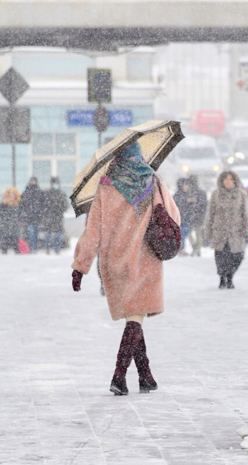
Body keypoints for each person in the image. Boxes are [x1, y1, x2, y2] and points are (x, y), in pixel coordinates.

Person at [71, 143, 180, 396]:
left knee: (134, 314)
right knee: (135, 317)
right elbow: (174, 215)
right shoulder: (152, 182)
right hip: (145, 259)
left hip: (115, 261)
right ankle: (118, 376)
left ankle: (146, 376)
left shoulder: (105, 186)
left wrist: (80, 266)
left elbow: (93, 230)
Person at [205, 171, 248, 289]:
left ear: (235, 181)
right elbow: (210, 214)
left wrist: (247, 230)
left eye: (231, 179)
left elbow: (246, 214)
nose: (228, 181)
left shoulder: (242, 194)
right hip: (220, 231)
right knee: (221, 256)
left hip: (237, 231)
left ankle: (230, 275)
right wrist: (208, 230)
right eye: (226, 179)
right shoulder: (216, 194)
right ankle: (222, 277)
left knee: (237, 256)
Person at [42, 177, 69, 254]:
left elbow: (65, 205)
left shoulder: (57, 193)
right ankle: (52, 249)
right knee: (52, 232)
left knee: (54, 233)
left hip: (55, 216)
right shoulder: (54, 193)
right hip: (52, 216)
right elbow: (44, 205)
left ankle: (53, 249)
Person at [20, 177, 45, 252]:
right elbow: (22, 204)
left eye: (34, 181)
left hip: (36, 216)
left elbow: (43, 203)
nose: (33, 182)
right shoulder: (26, 192)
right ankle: (32, 247)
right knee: (31, 232)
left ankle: (34, 247)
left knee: (35, 232)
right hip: (29, 216)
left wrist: (41, 212)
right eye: (32, 181)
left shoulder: (39, 192)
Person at [186, 175, 208, 257]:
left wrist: (194, 203)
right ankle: (196, 249)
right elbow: (205, 204)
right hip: (195, 216)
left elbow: (204, 204)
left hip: (194, 215)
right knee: (195, 234)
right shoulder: (197, 192)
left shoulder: (191, 192)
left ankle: (196, 249)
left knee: (194, 234)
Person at [173, 178, 192, 255]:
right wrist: (186, 201)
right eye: (185, 185)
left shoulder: (187, 194)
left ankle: (181, 248)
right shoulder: (177, 195)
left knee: (184, 234)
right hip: (180, 218)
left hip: (187, 219)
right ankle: (180, 249)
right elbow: (177, 205)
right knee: (181, 234)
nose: (187, 187)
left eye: (187, 185)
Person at [0, 187, 21, 254]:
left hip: (11, 223)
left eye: (13, 194)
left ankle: (10, 248)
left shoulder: (17, 203)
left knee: (12, 236)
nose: (11, 195)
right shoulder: (4, 204)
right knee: (7, 236)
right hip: (8, 223)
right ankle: (6, 249)